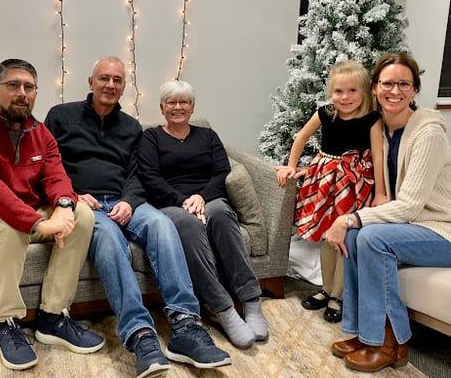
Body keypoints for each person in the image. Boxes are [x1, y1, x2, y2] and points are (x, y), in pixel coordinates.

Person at [44, 56, 230, 378]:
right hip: (84, 205)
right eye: (104, 78)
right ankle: (140, 334)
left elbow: (137, 173)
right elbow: (47, 164)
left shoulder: (131, 127)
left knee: (162, 224)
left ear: (124, 87)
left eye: (117, 80)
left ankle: (186, 325)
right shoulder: (61, 116)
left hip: (124, 200)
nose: (110, 85)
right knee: (109, 239)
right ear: (91, 82)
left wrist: (130, 202)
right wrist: (72, 196)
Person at [0, 59, 104, 371]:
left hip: (28, 218)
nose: (22, 93)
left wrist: (64, 206)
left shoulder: (42, 133)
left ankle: (53, 317)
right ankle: (6, 323)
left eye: (29, 87)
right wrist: (38, 223)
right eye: (13, 85)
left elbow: (56, 175)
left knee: (83, 214)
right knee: (8, 225)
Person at [326, 52, 451, 372]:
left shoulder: (428, 133)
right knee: (354, 236)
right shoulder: (382, 129)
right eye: (387, 84)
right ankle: (362, 332)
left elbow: (410, 205)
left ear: (415, 90)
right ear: (375, 88)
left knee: (371, 237)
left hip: (441, 229)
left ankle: (389, 342)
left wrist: (350, 217)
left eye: (404, 84)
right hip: (413, 225)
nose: (395, 91)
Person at [137, 80, 268, 350]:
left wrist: (201, 197)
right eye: (171, 102)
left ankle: (251, 301)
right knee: (189, 224)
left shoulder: (207, 136)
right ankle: (223, 309)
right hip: (171, 203)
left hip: (208, 199)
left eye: (184, 102)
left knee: (220, 213)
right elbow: (150, 177)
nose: (178, 107)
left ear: (192, 107)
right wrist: (183, 200)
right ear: (162, 108)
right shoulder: (151, 138)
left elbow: (221, 172)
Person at [276, 60, 387, 323]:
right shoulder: (326, 113)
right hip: (325, 182)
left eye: (352, 91)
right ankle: (326, 289)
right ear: (330, 92)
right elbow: (301, 137)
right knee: (328, 237)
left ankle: (338, 295)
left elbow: (378, 156)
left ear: (364, 91)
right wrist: (291, 165)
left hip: (353, 184)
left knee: (343, 240)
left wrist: (381, 192)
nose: (345, 97)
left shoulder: (372, 119)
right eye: (338, 91)